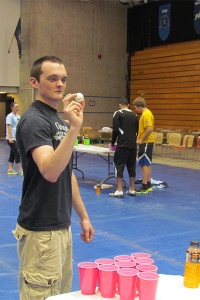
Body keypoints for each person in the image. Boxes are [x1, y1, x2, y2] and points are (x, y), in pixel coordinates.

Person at [13, 56, 94, 299]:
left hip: (61, 226)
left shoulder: (57, 121)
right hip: (41, 231)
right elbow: (50, 171)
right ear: (34, 82)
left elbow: (67, 174)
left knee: (60, 294)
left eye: (63, 79)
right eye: (52, 78)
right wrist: (74, 129)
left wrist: (83, 216)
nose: (60, 84)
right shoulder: (34, 120)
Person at [109, 97, 138, 198]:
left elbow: (116, 129)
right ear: (128, 105)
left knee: (119, 165)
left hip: (122, 144)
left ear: (120, 105)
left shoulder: (118, 113)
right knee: (131, 166)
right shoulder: (135, 115)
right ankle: (132, 189)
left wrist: (112, 142)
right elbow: (136, 131)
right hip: (133, 144)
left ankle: (119, 190)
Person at [133, 96, 154, 193]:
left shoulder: (146, 114)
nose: (135, 110)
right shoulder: (146, 113)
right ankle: (148, 183)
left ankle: (144, 185)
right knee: (146, 163)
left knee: (144, 164)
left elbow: (149, 128)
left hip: (146, 142)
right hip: (147, 142)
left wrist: (141, 140)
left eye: (136, 108)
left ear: (139, 106)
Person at [6, 102, 23, 175]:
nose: (17, 108)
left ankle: (10, 169)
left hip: (17, 138)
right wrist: (10, 137)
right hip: (11, 138)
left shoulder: (18, 116)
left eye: (18, 107)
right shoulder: (10, 116)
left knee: (12, 153)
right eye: (16, 107)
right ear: (12, 108)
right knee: (17, 152)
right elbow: (9, 127)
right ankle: (20, 170)